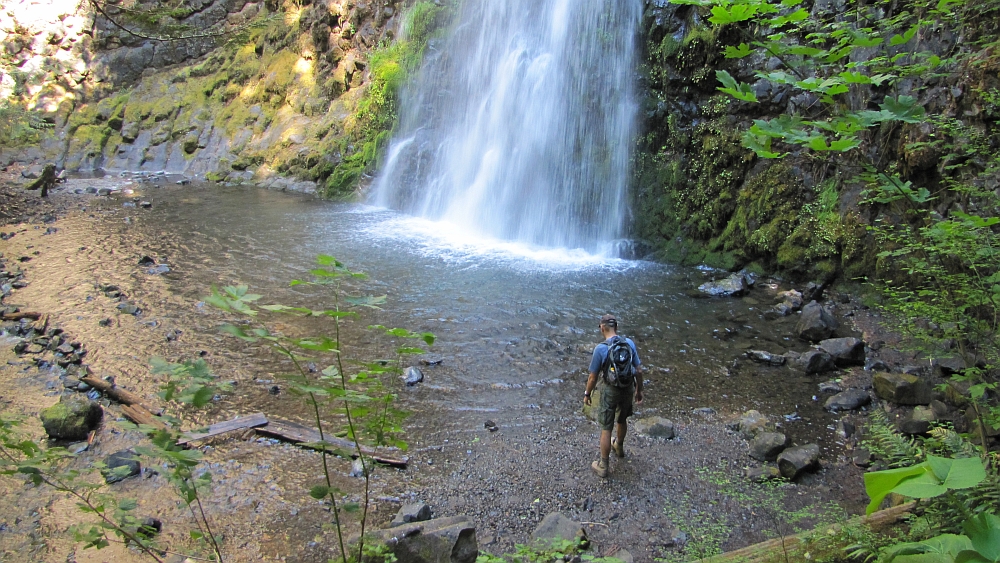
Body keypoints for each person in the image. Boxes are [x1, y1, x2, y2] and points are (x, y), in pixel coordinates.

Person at [583, 314, 643, 478]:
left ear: (602, 328)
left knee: (606, 427)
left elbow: (592, 377)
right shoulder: (629, 343)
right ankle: (619, 446)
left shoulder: (600, 349)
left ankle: (603, 465)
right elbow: (638, 370)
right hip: (628, 387)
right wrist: (639, 390)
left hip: (610, 390)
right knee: (622, 419)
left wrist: (587, 394)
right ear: (616, 327)